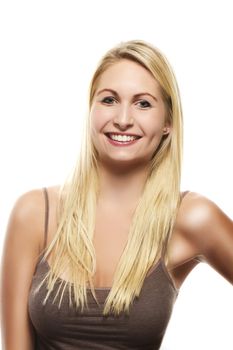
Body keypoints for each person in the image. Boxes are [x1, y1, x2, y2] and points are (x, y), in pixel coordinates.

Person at [1, 40, 233, 350]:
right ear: (91, 109)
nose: (123, 119)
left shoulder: (191, 218)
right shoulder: (34, 213)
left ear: (167, 122)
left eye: (143, 103)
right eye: (109, 100)